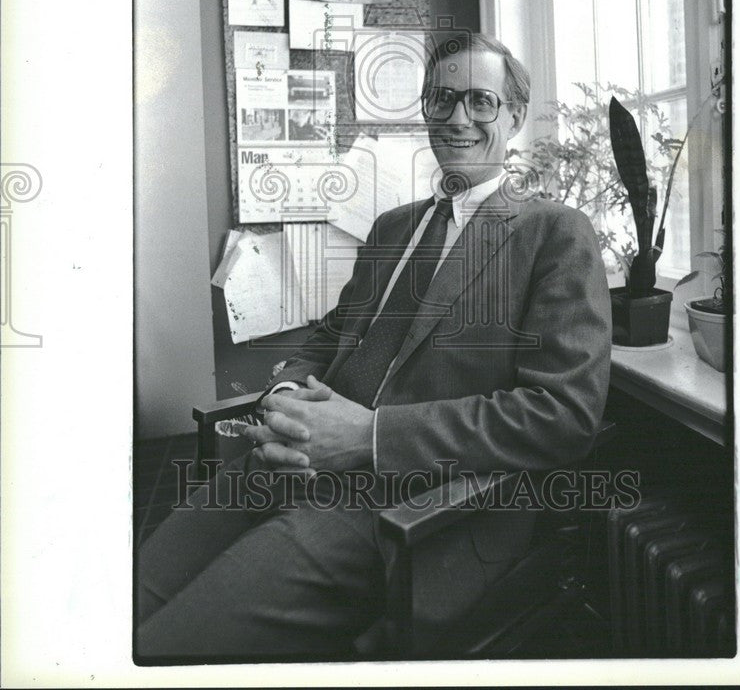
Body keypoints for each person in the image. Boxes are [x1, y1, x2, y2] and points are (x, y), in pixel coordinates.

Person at [136, 32, 611, 660]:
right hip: (284, 464)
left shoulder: (554, 233)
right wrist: (284, 397)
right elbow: (334, 333)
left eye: (480, 101)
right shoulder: (395, 225)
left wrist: (369, 437)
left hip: (397, 504)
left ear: (515, 117)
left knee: (170, 647)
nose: (457, 118)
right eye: (441, 99)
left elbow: (564, 417)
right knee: (125, 600)